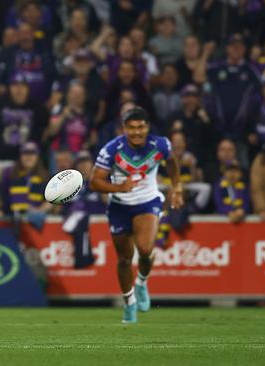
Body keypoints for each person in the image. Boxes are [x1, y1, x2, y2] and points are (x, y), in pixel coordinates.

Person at [89, 107, 183, 323]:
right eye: (131, 128)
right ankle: (129, 302)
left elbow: (172, 162)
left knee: (145, 249)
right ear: (124, 129)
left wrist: (176, 188)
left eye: (140, 127)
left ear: (147, 127)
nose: (137, 132)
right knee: (123, 259)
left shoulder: (160, 144)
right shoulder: (111, 150)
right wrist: (119, 188)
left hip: (147, 202)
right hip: (119, 206)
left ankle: (141, 282)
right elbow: (95, 181)